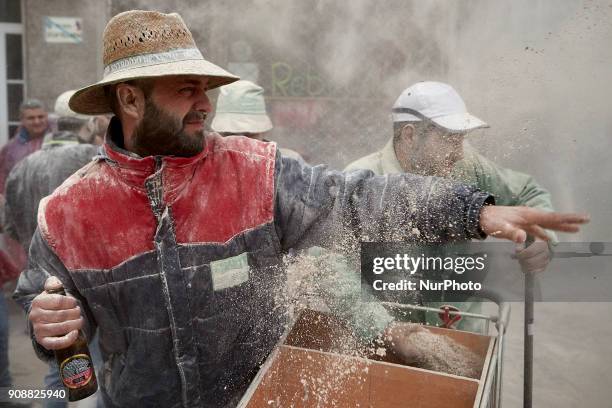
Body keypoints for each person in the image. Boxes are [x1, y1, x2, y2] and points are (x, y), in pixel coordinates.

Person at [12, 11, 587, 408]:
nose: (204, 104)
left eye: (207, 89)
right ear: (130, 98)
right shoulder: (66, 215)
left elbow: (354, 197)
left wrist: (474, 211)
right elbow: (55, 322)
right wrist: (51, 329)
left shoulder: (256, 173)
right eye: (186, 89)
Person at [345, 81, 555, 330]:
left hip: (465, 332)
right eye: (450, 139)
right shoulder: (362, 183)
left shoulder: (466, 168)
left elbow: (527, 192)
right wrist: (382, 328)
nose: (459, 153)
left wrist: (541, 236)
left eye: (461, 139)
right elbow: (326, 264)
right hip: (389, 344)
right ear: (410, 135)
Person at [4, 90, 104, 408]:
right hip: (84, 289)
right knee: (89, 374)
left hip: (36, 284)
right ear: (87, 125)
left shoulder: (21, 167)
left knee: (60, 373)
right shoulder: (95, 159)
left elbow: (8, 227)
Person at [211, 79, 304, 161]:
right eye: (229, 135)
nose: (240, 143)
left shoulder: (288, 165)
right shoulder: (207, 165)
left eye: (249, 135)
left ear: (263, 131)